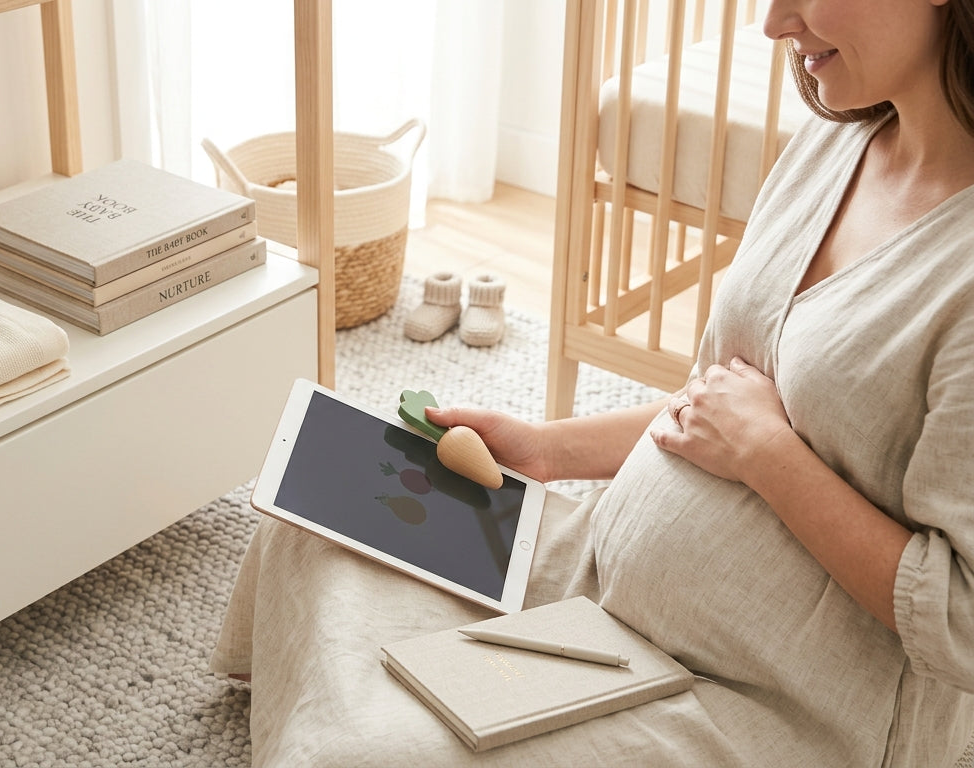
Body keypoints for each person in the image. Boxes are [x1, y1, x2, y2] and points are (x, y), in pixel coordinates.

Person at [211, 0, 974, 765]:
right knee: (326, 510)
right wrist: (545, 451)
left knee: (366, 757)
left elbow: (961, 621)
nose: (775, 23)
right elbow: (713, 403)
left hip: (749, 695)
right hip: (596, 575)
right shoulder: (835, 141)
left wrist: (769, 456)